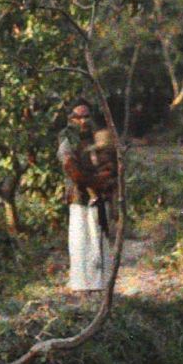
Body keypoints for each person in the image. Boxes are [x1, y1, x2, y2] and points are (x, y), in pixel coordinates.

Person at [56, 100, 116, 292]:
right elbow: (73, 171)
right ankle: (83, 287)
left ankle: (102, 287)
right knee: (82, 242)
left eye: (86, 116)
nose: (83, 121)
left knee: (100, 241)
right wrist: (95, 181)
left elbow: (110, 164)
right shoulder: (67, 141)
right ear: (71, 119)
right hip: (80, 198)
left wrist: (107, 178)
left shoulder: (97, 138)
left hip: (100, 198)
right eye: (78, 117)